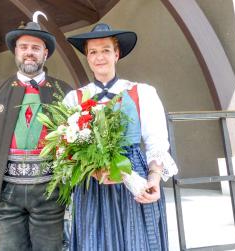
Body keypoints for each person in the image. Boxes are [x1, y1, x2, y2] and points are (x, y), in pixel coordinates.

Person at [0, 13, 72, 251]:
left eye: (35, 47)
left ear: (46, 53)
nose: (29, 52)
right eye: (23, 47)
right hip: (4, 194)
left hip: (50, 192)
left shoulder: (65, 92)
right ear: (16, 52)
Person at [63, 23, 178, 250]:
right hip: (93, 185)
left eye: (106, 50)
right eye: (93, 52)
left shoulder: (142, 92)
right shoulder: (74, 99)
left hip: (134, 179)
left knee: (137, 242)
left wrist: (153, 181)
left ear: (116, 54)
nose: (99, 57)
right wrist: (96, 170)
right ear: (87, 57)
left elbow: (157, 142)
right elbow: (68, 150)